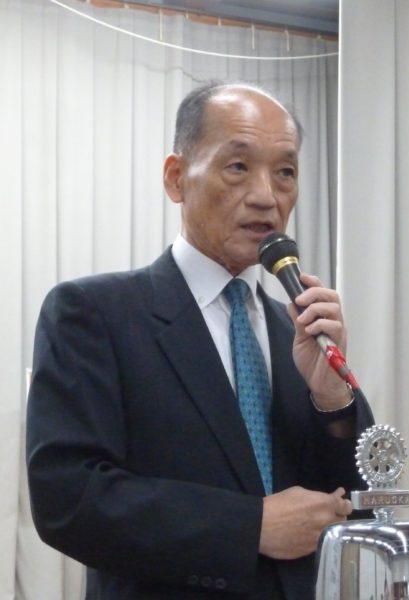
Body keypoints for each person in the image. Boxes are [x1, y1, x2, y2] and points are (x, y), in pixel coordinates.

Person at [26, 81, 374, 600]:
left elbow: (359, 500)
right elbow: (68, 497)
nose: (266, 195)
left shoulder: (298, 332)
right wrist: (250, 527)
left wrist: (332, 397)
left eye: (285, 172)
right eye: (238, 166)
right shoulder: (94, 313)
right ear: (176, 178)